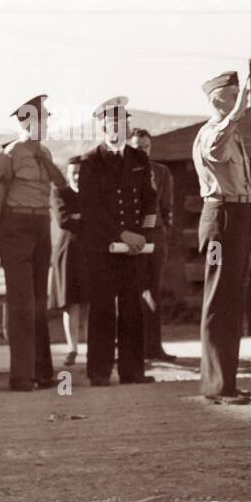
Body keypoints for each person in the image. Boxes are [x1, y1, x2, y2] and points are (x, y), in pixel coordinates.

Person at [0, 94, 65, 391]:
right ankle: (21, 376)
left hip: (41, 225)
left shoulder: (45, 153)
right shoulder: (10, 155)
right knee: (21, 305)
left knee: (40, 303)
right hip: (15, 228)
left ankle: (43, 373)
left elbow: (59, 187)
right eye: (41, 120)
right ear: (26, 122)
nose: (45, 125)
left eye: (46, 120)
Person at [77, 97, 157, 387]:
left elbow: (150, 201)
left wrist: (144, 236)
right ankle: (99, 372)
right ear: (101, 127)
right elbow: (91, 209)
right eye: (111, 124)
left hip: (134, 248)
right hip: (103, 248)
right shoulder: (90, 162)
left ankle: (132, 371)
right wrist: (122, 234)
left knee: (132, 308)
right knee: (102, 310)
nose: (118, 129)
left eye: (123, 123)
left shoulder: (139, 159)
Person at [193, 72, 251, 404]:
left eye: (242, 94)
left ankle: (226, 383)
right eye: (234, 95)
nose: (242, 101)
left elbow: (240, 192)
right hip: (221, 220)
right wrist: (233, 117)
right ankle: (217, 386)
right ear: (216, 100)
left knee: (232, 302)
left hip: (236, 217)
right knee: (219, 301)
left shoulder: (232, 134)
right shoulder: (213, 134)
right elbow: (217, 153)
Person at [131, 128, 175, 362]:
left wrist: (163, 234)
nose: (142, 151)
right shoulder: (125, 171)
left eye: (145, 147)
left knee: (154, 292)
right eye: (137, 147)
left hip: (156, 236)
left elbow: (167, 208)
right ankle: (132, 349)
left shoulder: (161, 172)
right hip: (132, 237)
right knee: (132, 291)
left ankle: (155, 348)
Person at [48, 155, 88, 368]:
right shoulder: (59, 192)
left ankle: (92, 348)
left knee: (91, 302)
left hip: (90, 252)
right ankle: (72, 348)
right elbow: (63, 220)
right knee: (70, 303)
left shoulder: (93, 194)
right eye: (73, 172)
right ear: (67, 173)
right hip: (68, 253)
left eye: (80, 172)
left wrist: (80, 217)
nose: (77, 176)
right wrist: (84, 218)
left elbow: (99, 219)